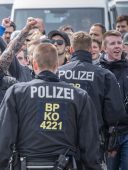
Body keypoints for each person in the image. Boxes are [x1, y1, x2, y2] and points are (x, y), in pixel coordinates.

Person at [0, 43, 102, 170]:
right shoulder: (79, 95)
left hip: (26, 164)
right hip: (66, 164)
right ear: (57, 65)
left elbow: (3, 137)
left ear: (35, 64)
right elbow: (89, 143)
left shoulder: (17, 92)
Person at [58, 31, 126, 165]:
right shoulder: (104, 75)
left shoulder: (58, 73)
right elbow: (115, 114)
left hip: (62, 138)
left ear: (71, 49)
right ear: (91, 49)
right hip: (93, 139)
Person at [97, 30, 128, 170]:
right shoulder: (97, 70)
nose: (117, 46)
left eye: (119, 43)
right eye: (112, 43)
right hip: (107, 134)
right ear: (104, 47)